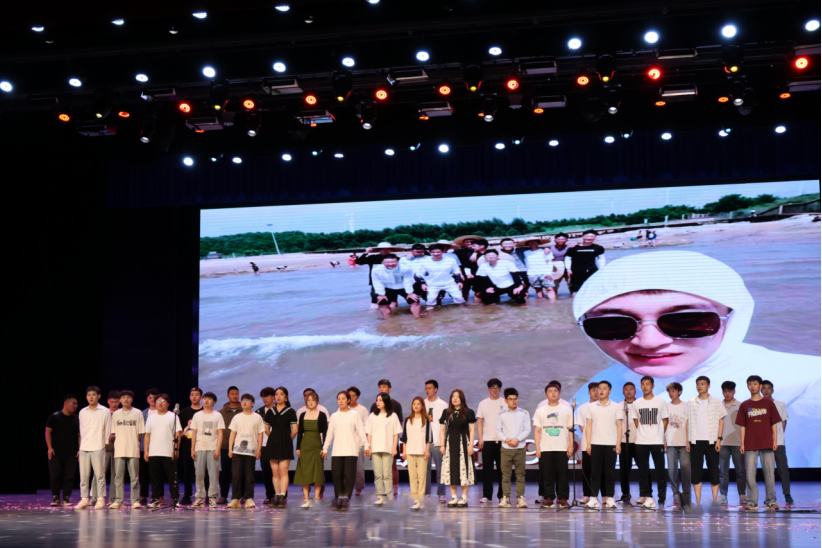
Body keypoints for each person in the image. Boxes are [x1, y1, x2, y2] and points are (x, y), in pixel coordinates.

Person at [569, 251, 819, 468]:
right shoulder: (601, 387)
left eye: (687, 320)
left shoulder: (808, 386)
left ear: (734, 317)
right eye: (612, 324)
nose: (649, 341)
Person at [736, 375, 781, 511]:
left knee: (769, 474)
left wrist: (775, 440)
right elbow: (742, 426)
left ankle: (771, 501)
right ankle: (752, 502)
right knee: (750, 474)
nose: (752, 386)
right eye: (750, 384)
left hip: (766, 443)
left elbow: (774, 423)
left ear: (760, 386)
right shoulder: (745, 405)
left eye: (755, 384)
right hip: (750, 444)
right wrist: (742, 443)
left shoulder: (768, 403)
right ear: (747, 386)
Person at [323, 391, 369, 510]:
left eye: (343, 398)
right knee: (337, 475)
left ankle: (345, 499)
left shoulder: (354, 415)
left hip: (351, 450)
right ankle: (339, 498)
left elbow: (361, 431)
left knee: (349, 476)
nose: (341, 401)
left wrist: (366, 445)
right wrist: (325, 448)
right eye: (339, 399)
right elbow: (330, 434)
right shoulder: (334, 416)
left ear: (348, 400)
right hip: (337, 451)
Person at [686, 376, 726, 504]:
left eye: (702, 384)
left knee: (714, 471)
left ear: (708, 386)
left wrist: (719, 439)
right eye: (698, 384)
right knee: (696, 473)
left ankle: (714, 500)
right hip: (695, 441)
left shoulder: (716, 401)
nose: (700, 386)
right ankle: (698, 502)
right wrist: (687, 441)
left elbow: (721, 421)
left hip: (711, 441)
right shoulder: (691, 402)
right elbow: (687, 422)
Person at [534, 381, 574, 509]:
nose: (553, 393)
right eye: (550, 391)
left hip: (562, 447)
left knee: (563, 474)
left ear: (559, 393)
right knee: (547, 474)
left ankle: (563, 498)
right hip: (546, 447)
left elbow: (571, 429)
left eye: (555, 391)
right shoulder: (540, 410)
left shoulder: (567, 409)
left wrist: (570, 446)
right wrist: (537, 448)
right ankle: (548, 498)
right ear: (546, 394)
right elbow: (537, 431)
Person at [631, 376, 669, 510]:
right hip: (641, 441)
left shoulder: (660, 401)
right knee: (643, 471)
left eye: (647, 384)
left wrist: (660, 434)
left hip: (657, 441)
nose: (645, 386)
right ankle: (647, 496)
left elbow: (665, 420)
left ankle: (662, 498)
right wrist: (643, 432)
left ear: (652, 386)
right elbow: (636, 421)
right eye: (642, 384)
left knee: (660, 471)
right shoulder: (637, 403)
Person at [584, 381, 623, 510]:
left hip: (610, 443)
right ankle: (594, 498)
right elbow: (588, 426)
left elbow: (619, 426)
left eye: (604, 388)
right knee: (595, 473)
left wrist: (618, 443)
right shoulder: (591, 407)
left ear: (609, 391)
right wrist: (588, 443)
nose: (601, 391)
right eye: (599, 388)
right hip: (596, 443)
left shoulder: (616, 406)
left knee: (610, 473)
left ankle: (610, 498)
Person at [75, 386, 112, 510]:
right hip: (84, 446)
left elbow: (108, 428)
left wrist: (104, 443)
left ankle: (100, 499)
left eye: (93, 394)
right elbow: (82, 429)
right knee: (84, 476)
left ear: (99, 396)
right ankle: (84, 499)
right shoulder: (82, 412)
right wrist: (81, 446)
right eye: (88, 395)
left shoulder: (104, 411)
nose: (91, 397)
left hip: (98, 446)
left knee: (100, 475)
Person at [439, 389, 476, 507]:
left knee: (464, 469)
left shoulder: (468, 412)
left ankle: (464, 498)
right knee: (451, 470)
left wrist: (471, 446)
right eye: (453, 396)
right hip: (450, 443)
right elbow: (442, 430)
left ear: (462, 399)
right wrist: (442, 445)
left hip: (463, 443)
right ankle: (454, 497)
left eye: (457, 396)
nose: (455, 399)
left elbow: (472, 430)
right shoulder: (446, 412)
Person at [144, 393, 181, 508]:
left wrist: (176, 449)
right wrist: (146, 451)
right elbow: (147, 435)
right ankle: (155, 499)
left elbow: (178, 433)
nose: (160, 403)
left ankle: (175, 499)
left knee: (172, 477)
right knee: (155, 478)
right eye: (158, 401)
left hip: (168, 451)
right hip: (154, 452)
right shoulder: (151, 418)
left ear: (168, 404)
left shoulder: (173, 416)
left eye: (163, 401)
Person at [227, 394, 265, 509]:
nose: (244, 402)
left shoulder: (257, 417)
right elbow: (232, 433)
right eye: (243, 400)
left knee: (249, 476)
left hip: (251, 451)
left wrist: (259, 449)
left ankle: (249, 499)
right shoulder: (237, 417)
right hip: (237, 451)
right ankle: (235, 499)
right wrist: (230, 448)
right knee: (236, 476)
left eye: (247, 400)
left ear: (252, 403)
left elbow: (260, 434)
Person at [262, 387, 298, 508]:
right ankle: (276, 497)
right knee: (275, 472)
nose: (278, 396)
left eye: (281, 394)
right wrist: (274, 439)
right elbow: (266, 429)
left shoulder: (290, 411)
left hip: (285, 445)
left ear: (286, 397)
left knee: (283, 471)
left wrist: (286, 440)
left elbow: (295, 430)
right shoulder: (270, 412)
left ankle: (282, 497)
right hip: (272, 444)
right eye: (277, 394)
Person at [496, 388, 531, 509]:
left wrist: (517, 439)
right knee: (505, 475)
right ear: (506, 400)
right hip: (506, 448)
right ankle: (506, 498)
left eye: (515, 399)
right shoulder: (501, 414)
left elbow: (527, 429)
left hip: (519, 447)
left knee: (520, 475)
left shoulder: (524, 413)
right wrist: (506, 440)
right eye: (511, 399)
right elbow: (498, 431)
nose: (513, 401)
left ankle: (520, 498)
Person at [365, 393, 403, 506]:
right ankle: (380, 497)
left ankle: (389, 495)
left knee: (387, 474)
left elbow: (396, 433)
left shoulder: (393, 416)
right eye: (377, 400)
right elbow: (369, 433)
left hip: (388, 448)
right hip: (375, 448)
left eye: (381, 400)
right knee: (378, 474)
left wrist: (394, 448)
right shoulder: (372, 416)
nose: (378, 402)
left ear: (386, 402)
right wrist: (368, 446)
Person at [109, 390, 145, 509]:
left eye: (128, 397)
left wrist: (134, 442)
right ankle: (119, 500)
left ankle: (135, 500)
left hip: (133, 449)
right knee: (118, 477)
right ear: (120, 400)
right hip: (119, 449)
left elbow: (140, 432)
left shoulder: (137, 413)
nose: (125, 399)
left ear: (132, 399)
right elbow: (114, 432)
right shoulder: (116, 414)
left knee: (134, 477)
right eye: (123, 397)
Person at [190, 392, 225, 509]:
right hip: (199, 447)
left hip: (212, 447)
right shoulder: (197, 415)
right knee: (199, 474)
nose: (206, 400)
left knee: (213, 474)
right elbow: (194, 433)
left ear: (214, 402)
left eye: (209, 399)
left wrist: (218, 449)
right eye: (205, 398)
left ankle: (212, 498)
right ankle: (199, 498)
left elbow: (220, 433)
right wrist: (192, 449)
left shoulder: (217, 415)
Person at [761, 380, 793, 505]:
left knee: (783, 468)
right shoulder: (758, 405)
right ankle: (770, 496)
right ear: (760, 390)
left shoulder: (780, 404)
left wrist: (778, 436)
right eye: (764, 388)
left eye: (768, 388)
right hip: (764, 442)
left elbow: (783, 422)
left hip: (778, 441)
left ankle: (787, 494)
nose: (766, 390)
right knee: (768, 471)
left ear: (772, 390)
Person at [45, 394, 80, 507]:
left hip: (72, 452)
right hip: (56, 451)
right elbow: (48, 432)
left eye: (76, 404)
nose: (75, 406)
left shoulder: (77, 418)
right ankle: (55, 497)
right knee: (55, 475)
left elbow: (79, 435)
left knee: (69, 476)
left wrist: (80, 449)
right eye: (73, 403)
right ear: (66, 403)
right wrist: (50, 448)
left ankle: (66, 498)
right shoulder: (54, 417)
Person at [295, 392, 327, 509]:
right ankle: (306, 497)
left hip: (317, 445)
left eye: (313, 400)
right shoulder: (303, 415)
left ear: (317, 401)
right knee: (305, 472)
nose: (311, 402)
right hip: (305, 445)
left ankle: (317, 497)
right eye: (308, 400)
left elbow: (325, 433)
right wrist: (298, 447)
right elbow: (300, 433)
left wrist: (324, 448)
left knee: (317, 472)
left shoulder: (322, 415)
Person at [476, 378, 506, 504]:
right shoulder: (483, 403)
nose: (495, 390)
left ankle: (502, 495)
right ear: (489, 389)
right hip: (487, 440)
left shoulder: (505, 402)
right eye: (492, 388)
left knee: (502, 470)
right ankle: (487, 495)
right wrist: (480, 438)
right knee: (487, 469)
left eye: (497, 388)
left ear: (500, 389)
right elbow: (480, 421)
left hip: (502, 440)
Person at [576, 382, 606, 506]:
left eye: (597, 390)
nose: (595, 392)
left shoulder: (605, 407)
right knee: (587, 470)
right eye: (593, 390)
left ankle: (604, 496)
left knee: (603, 471)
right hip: (587, 443)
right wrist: (591, 435)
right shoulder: (583, 408)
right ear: (589, 392)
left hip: (602, 442)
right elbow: (581, 426)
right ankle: (586, 495)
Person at [718, 381, 747, 506]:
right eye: (725, 391)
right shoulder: (719, 406)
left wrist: (743, 442)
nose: (727, 394)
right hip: (723, 443)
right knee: (723, 472)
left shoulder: (740, 405)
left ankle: (742, 495)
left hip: (737, 442)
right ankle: (723, 495)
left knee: (740, 471)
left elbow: (744, 425)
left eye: (729, 391)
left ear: (734, 391)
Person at [402, 397, 433, 511]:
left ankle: (421, 499)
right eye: (414, 404)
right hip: (410, 451)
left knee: (422, 476)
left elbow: (428, 437)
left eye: (418, 404)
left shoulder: (426, 419)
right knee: (412, 477)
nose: (416, 406)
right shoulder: (408, 419)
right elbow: (404, 437)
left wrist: (427, 450)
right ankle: (416, 500)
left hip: (422, 451)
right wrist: (404, 451)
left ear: (422, 406)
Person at [665, 382, 692, 510]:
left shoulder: (686, 406)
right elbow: (663, 424)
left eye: (673, 391)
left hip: (684, 444)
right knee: (672, 471)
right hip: (670, 443)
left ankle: (686, 496)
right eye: (669, 392)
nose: (671, 394)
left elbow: (689, 424)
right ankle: (676, 495)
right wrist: (663, 440)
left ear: (679, 392)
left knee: (686, 471)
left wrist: (688, 441)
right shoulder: (666, 406)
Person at [90, 390, 120, 505]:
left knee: (116, 475)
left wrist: (116, 436)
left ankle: (112, 498)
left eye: (116, 402)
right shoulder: (103, 412)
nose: (114, 404)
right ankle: (94, 496)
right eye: (112, 402)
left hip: (118, 449)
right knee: (98, 473)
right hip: (104, 447)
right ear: (108, 401)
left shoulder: (120, 414)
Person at [371, 254, 421, 318]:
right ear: (382, 262)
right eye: (387, 262)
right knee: (382, 301)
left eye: (393, 262)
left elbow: (408, 280)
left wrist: (410, 293)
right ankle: (388, 320)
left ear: (398, 262)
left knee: (414, 300)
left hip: (403, 286)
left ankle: (418, 318)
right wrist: (381, 294)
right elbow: (377, 282)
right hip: (387, 287)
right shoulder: (376, 270)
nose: (390, 264)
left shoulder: (406, 268)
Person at [423, 380, 449, 502]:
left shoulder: (442, 404)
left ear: (436, 389)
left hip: (439, 442)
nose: (427, 390)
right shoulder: (423, 403)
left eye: (430, 388)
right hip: (425, 443)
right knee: (425, 470)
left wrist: (444, 442)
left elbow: (446, 425)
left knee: (440, 470)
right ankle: (426, 492)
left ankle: (441, 493)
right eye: (426, 388)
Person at [217, 386, 244, 504]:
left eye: (236, 394)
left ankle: (241, 495)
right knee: (225, 472)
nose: (235, 396)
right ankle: (223, 496)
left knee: (241, 472)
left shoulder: (243, 410)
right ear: (228, 396)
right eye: (232, 394)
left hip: (241, 446)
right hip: (225, 446)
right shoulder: (221, 412)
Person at [177, 387, 203, 506]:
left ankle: (204, 496)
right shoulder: (184, 412)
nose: (194, 397)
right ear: (189, 397)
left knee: (203, 473)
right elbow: (180, 430)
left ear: (201, 397)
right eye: (192, 395)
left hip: (202, 445)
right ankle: (187, 495)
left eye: (197, 395)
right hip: (187, 447)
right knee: (187, 473)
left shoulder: (204, 411)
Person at [355, 242, 400, 309]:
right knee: (375, 299)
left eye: (388, 249)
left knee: (393, 299)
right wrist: (366, 252)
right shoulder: (373, 258)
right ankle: (374, 312)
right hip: (376, 282)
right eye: (383, 249)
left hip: (392, 282)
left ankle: (393, 313)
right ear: (379, 250)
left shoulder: (396, 258)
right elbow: (359, 262)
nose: (385, 250)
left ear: (391, 250)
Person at [564, 230, 605, 296]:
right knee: (575, 289)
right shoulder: (573, 248)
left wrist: (601, 269)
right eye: (587, 236)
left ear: (595, 237)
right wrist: (568, 269)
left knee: (592, 288)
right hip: (576, 271)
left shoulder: (598, 248)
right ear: (583, 236)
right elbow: (568, 259)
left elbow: (601, 259)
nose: (589, 238)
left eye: (592, 236)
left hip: (592, 270)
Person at [255, 387, 277, 505]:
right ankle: (269, 495)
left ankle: (280, 495)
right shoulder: (259, 412)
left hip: (277, 444)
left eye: (267, 396)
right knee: (266, 471)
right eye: (263, 396)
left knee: (278, 471)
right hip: (263, 445)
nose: (265, 399)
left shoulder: (279, 410)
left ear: (273, 396)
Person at [617, 382, 638, 504]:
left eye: (631, 389)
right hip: (624, 441)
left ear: (635, 391)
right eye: (626, 389)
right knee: (624, 470)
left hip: (639, 441)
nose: (629, 391)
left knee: (644, 468)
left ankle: (646, 494)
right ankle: (625, 493)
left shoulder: (640, 404)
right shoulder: (619, 406)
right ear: (623, 392)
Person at [138, 388, 160, 505]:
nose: (152, 400)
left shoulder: (162, 412)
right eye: (150, 397)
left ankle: (159, 496)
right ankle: (143, 495)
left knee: (157, 473)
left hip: (158, 446)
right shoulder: (142, 414)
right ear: (147, 399)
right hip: (144, 447)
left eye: (154, 398)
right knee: (144, 473)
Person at [347, 386, 370, 496]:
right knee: (346, 468)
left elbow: (367, 427)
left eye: (353, 396)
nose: (351, 398)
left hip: (359, 444)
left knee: (358, 468)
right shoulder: (342, 409)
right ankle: (347, 488)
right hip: (346, 443)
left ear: (357, 397)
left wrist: (366, 444)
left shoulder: (362, 410)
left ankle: (359, 488)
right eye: (349, 395)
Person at [454, 235, 481, 301]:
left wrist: (475, 251)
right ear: (464, 243)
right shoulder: (459, 252)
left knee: (478, 291)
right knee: (465, 290)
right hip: (464, 273)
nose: (469, 243)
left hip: (478, 273)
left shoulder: (480, 251)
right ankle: (465, 304)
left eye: (472, 242)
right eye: (467, 242)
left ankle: (477, 304)